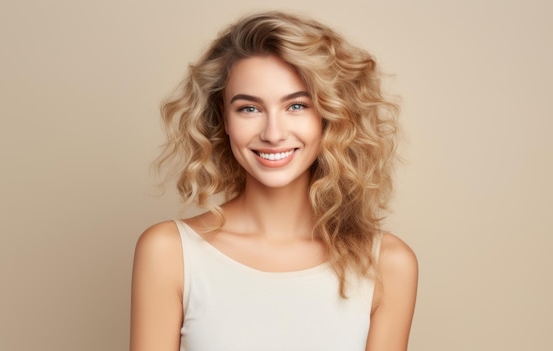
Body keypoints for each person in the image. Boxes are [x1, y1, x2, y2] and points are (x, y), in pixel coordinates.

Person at [130, 11, 418, 351]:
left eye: (296, 106)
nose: (273, 133)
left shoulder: (387, 263)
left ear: (329, 117)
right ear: (222, 119)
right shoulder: (169, 252)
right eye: (249, 109)